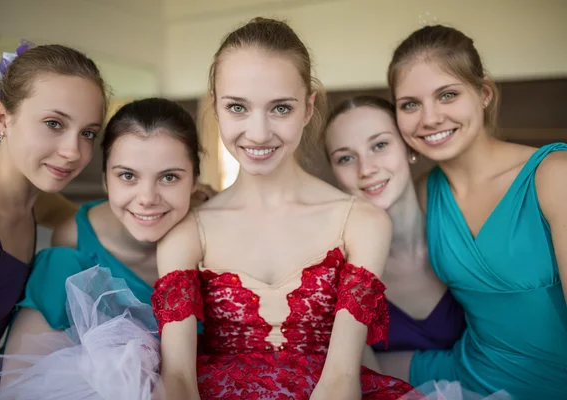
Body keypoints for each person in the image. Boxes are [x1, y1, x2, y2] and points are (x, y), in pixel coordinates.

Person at [152, 17, 414, 399]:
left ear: (308, 108)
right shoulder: (186, 232)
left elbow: (341, 376)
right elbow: (176, 378)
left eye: (280, 108)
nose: (258, 133)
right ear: (215, 107)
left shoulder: (361, 222)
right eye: (238, 107)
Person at [0, 97, 204, 399]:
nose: (147, 197)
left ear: (195, 182)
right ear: (105, 179)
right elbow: (23, 386)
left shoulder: (215, 240)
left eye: (169, 177)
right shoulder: (71, 247)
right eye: (127, 176)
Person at [387, 24, 567, 398]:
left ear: (483, 93)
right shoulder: (423, 195)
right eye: (410, 105)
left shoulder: (554, 176)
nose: (430, 118)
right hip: (466, 370)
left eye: (447, 95)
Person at [0, 41, 107, 399]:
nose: (74, 152)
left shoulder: (33, 199)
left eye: (88, 133)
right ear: (3, 118)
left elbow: (97, 222)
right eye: (53, 123)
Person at [323, 95, 465, 370]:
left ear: (409, 148)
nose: (366, 169)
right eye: (346, 158)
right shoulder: (334, 273)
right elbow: (360, 380)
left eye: (380, 145)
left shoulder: (466, 233)